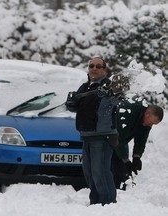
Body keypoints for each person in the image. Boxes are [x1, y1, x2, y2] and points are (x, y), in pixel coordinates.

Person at [66, 57, 118, 205]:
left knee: (100, 172)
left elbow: (117, 99)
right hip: (86, 136)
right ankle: (95, 203)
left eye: (98, 66)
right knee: (89, 173)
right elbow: (77, 106)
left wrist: (110, 93)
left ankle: (107, 204)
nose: (94, 68)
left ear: (105, 70)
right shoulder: (84, 87)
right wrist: (71, 103)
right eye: (91, 66)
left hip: (102, 136)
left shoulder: (110, 86)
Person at [112, 99, 164, 190]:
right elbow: (118, 138)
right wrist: (126, 161)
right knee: (111, 167)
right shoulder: (130, 111)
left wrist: (137, 157)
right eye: (151, 122)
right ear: (147, 113)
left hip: (120, 141)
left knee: (120, 169)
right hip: (107, 138)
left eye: (154, 124)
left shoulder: (147, 122)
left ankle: (118, 192)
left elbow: (141, 140)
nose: (151, 125)